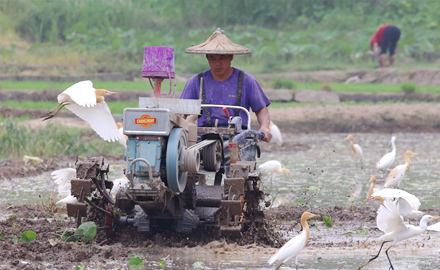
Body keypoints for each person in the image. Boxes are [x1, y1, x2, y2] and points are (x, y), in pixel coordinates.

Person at [180, 27, 272, 143]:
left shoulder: (247, 81)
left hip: (238, 138)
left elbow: (261, 109)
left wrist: (264, 126)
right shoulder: (196, 82)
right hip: (203, 138)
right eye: (213, 58)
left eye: (222, 58)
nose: (217, 63)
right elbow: (181, 112)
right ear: (207, 58)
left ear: (231, 57)